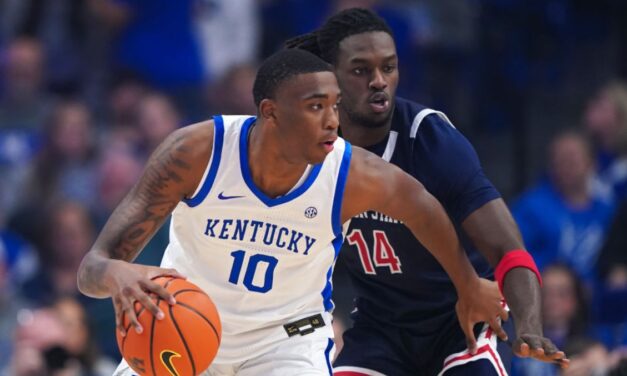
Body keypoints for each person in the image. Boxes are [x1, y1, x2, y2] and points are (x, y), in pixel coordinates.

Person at [77, 49, 507, 375]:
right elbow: (92, 268)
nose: (333, 122)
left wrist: (468, 284)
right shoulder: (196, 153)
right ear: (271, 112)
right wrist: (119, 275)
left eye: (336, 106)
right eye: (316, 106)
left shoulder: (352, 173)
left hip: (283, 345)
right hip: (179, 326)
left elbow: (424, 208)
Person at [286, 8, 569, 375]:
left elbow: (508, 249)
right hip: (380, 328)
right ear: (331, 78)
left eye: (388, 68)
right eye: (361, 70)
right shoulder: (315, 151)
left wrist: (529, 326)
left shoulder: (430, 140)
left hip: (458, 321)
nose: (378, 81)